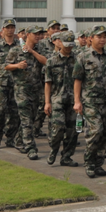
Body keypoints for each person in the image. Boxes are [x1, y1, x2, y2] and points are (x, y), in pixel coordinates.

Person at [74, 25, 106, 177]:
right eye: (99, 36)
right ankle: (89, 162)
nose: (103, 39)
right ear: (91, 38)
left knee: (105, 133)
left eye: (104, 37)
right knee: (95, 130)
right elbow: (77, 80)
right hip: (90, 101)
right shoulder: (83, 56)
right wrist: (77, 101)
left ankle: (98, 163)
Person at [5, 25, 48, 159]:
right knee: (26, 119)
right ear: (27, 34)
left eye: (40, 34)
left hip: (36, 89)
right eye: (35, 34)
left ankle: (18, 140)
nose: (38, 36)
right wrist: (17, 66)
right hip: (22, 89)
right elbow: (7, 66)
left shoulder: (42, 49)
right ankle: (30, 147)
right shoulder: (16, 50)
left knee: (33, 117)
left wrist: (32, 52)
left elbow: (47, 62)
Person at [44, 30, 79, 166]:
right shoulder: (52, 61)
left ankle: (67, 157)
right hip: (57, 100)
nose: (69, 47)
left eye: (71, 45)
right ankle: (54, 150)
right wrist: (47, 102)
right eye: (66, 44)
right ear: (60, 43)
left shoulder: (78, 60)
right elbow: (48, 83)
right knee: (57, 129)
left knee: (74, 130)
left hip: (74, 101)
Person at [0, 19, 21, 149]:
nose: (10, 29)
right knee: (0, 111)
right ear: (3, 29)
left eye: (12, 27)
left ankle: (11, 138)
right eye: (8, 27)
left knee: (14, 112)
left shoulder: (19, 45)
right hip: (1, 83)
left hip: (16, 83)